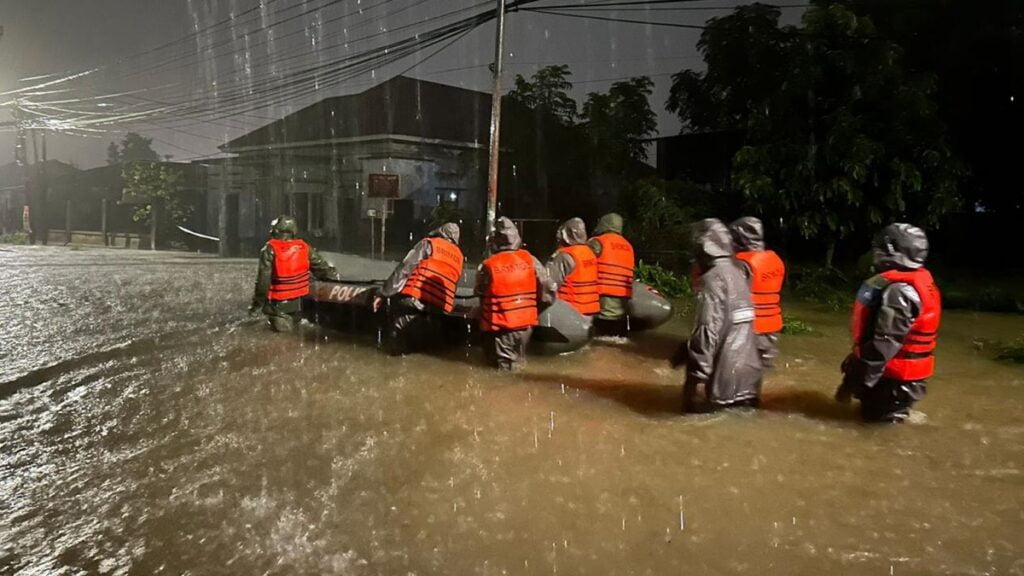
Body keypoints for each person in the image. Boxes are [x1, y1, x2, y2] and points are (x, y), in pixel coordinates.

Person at [835, 223, 941, 423]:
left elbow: (886, 341)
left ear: (890, 250)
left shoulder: (899, 291)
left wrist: (861, 380)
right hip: (895, 377)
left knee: (879, 430)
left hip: (893, 380)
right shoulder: (910, 284)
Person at [681, 218, 763, 412]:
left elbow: (708, 328)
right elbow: (734, 323)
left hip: (722, 385)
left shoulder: (713, 279)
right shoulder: (740, 272)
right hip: (750, 380)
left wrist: (698, 377)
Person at [475, 217, 554, 370]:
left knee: (503, 370)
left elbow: (480, 294)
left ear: (495, 240)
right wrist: (533, 309)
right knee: (518, 363)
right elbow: (549, 289)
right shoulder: (530, 259)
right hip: (525, 326)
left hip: (501, 327)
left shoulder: (488, 265)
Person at [376, 222, 464, 353]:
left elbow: (405, 269)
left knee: (398, 348)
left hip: (414, 302)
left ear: (440, 232)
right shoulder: (459, 257)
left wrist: (382, 293)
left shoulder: (429, 244)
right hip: (438, 312)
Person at [249, 215, 340, 332]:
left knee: (280, 341)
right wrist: (336, 277)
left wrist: (256, 305)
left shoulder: (269, 250)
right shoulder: (304, 247)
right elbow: (323, 269)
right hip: (299, 303)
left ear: (274, 231)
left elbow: (263, 282)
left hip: (278, 306)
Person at [730, 217, 786, 368]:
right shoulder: (775, 259)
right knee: (761, 367)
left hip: (750, 326)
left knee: (738, 370)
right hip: (773, 323)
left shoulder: (741, 264)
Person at [587, 213, 636, 334]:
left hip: (603, 294)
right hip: (623, 296)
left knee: (600, 330)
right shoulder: (628, 246)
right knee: (616, 330)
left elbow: (583, 261)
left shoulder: (598, 242)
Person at [546, 217, 600, 317]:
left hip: (571, 311)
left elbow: (550, 284)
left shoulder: (564, 256)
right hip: (591, 310)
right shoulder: (589, 252)